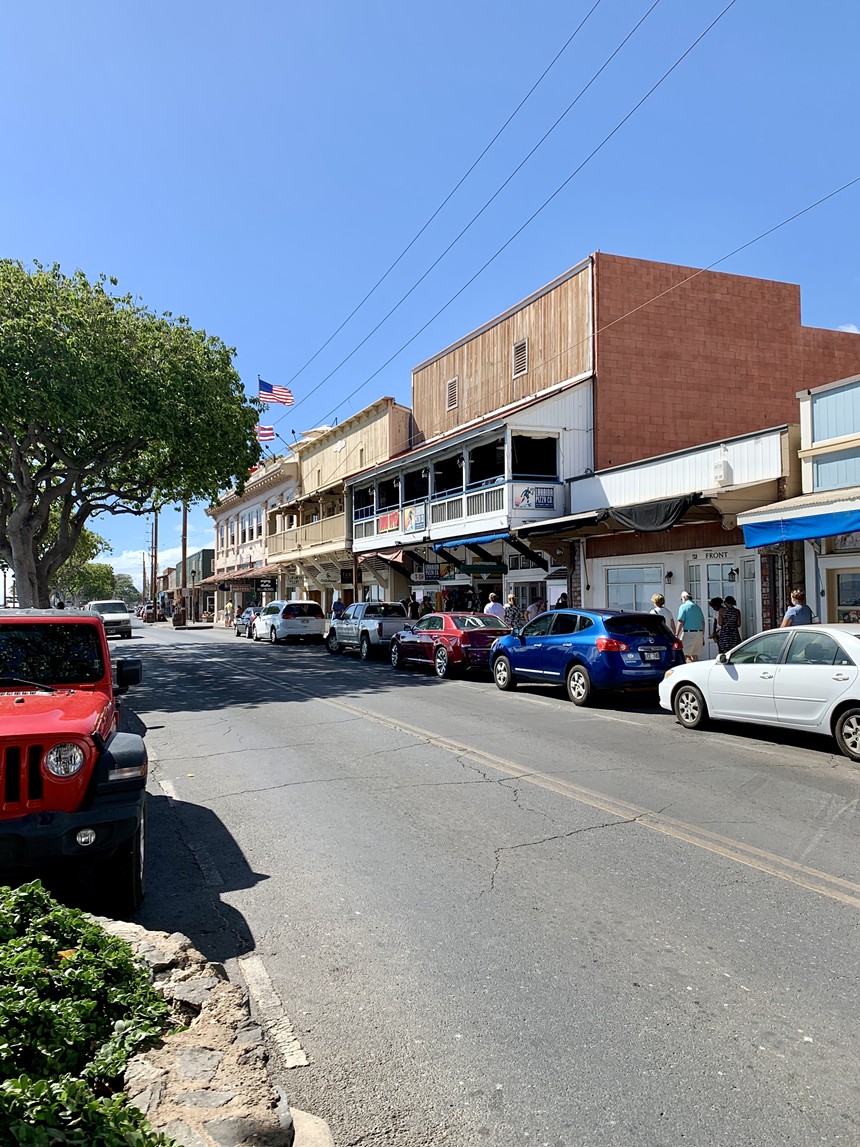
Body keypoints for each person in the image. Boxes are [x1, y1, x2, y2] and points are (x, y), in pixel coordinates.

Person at [675, 590, 705, 661]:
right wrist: (702, 635)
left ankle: (690, 671)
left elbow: (680, 622)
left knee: (686, 655)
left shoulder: (683, 606)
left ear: (684, 598)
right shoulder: (697, 607)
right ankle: (696, 671)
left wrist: (676, 635)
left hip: (689, 634)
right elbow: (703, 622)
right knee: (695, 655)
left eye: (681, 599)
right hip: (699, 633)